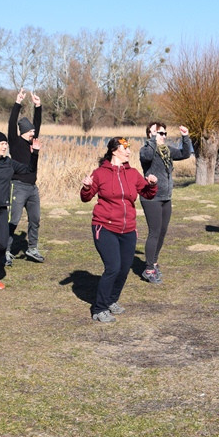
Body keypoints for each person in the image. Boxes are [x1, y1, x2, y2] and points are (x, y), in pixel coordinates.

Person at [80, 137, 158, 322]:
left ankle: (111, 300)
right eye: (125, 148)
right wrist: (86, 187)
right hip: (104, 226)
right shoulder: (100, 173)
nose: (129, 152)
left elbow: (146, 193)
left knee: (124, 269)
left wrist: (152, 184)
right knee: (113, 267)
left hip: (128, 229)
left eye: (129, 148)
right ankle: (99, 309)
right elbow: (86, 197)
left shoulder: (132, 173)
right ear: (115, 150)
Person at [0, 127, 38, 292]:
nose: (5, 146)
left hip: (3, 208)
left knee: (3, 245)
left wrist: (35, 154)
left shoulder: (9, 162)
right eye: (2, 144)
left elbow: (29, 170)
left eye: (6, 143)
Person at [138, 121, 193, 283]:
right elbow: (147, 157)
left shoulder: (167, 151)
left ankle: (153, 263)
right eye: (159, 133)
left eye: (164, 133)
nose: (163, 136)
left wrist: (185, 136)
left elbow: (185, 153)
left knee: (162, 232)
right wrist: (153, 140)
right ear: (150, 134)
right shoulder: (147, 149)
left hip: (166, 197)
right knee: (154, 232)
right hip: (151, 197)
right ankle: (148, 269)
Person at [8, 88, 44, 262]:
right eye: (31, 131)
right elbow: (11, 122)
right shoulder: (15, 142)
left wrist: (38, 106)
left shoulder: (33, 142)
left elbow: (38, 123)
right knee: (13, 220)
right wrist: (17, 102)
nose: (33, 133)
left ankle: (32, 248)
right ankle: (5, 250)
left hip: (32, 188)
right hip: (18, 186)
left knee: (35, 219)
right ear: (23, 131)